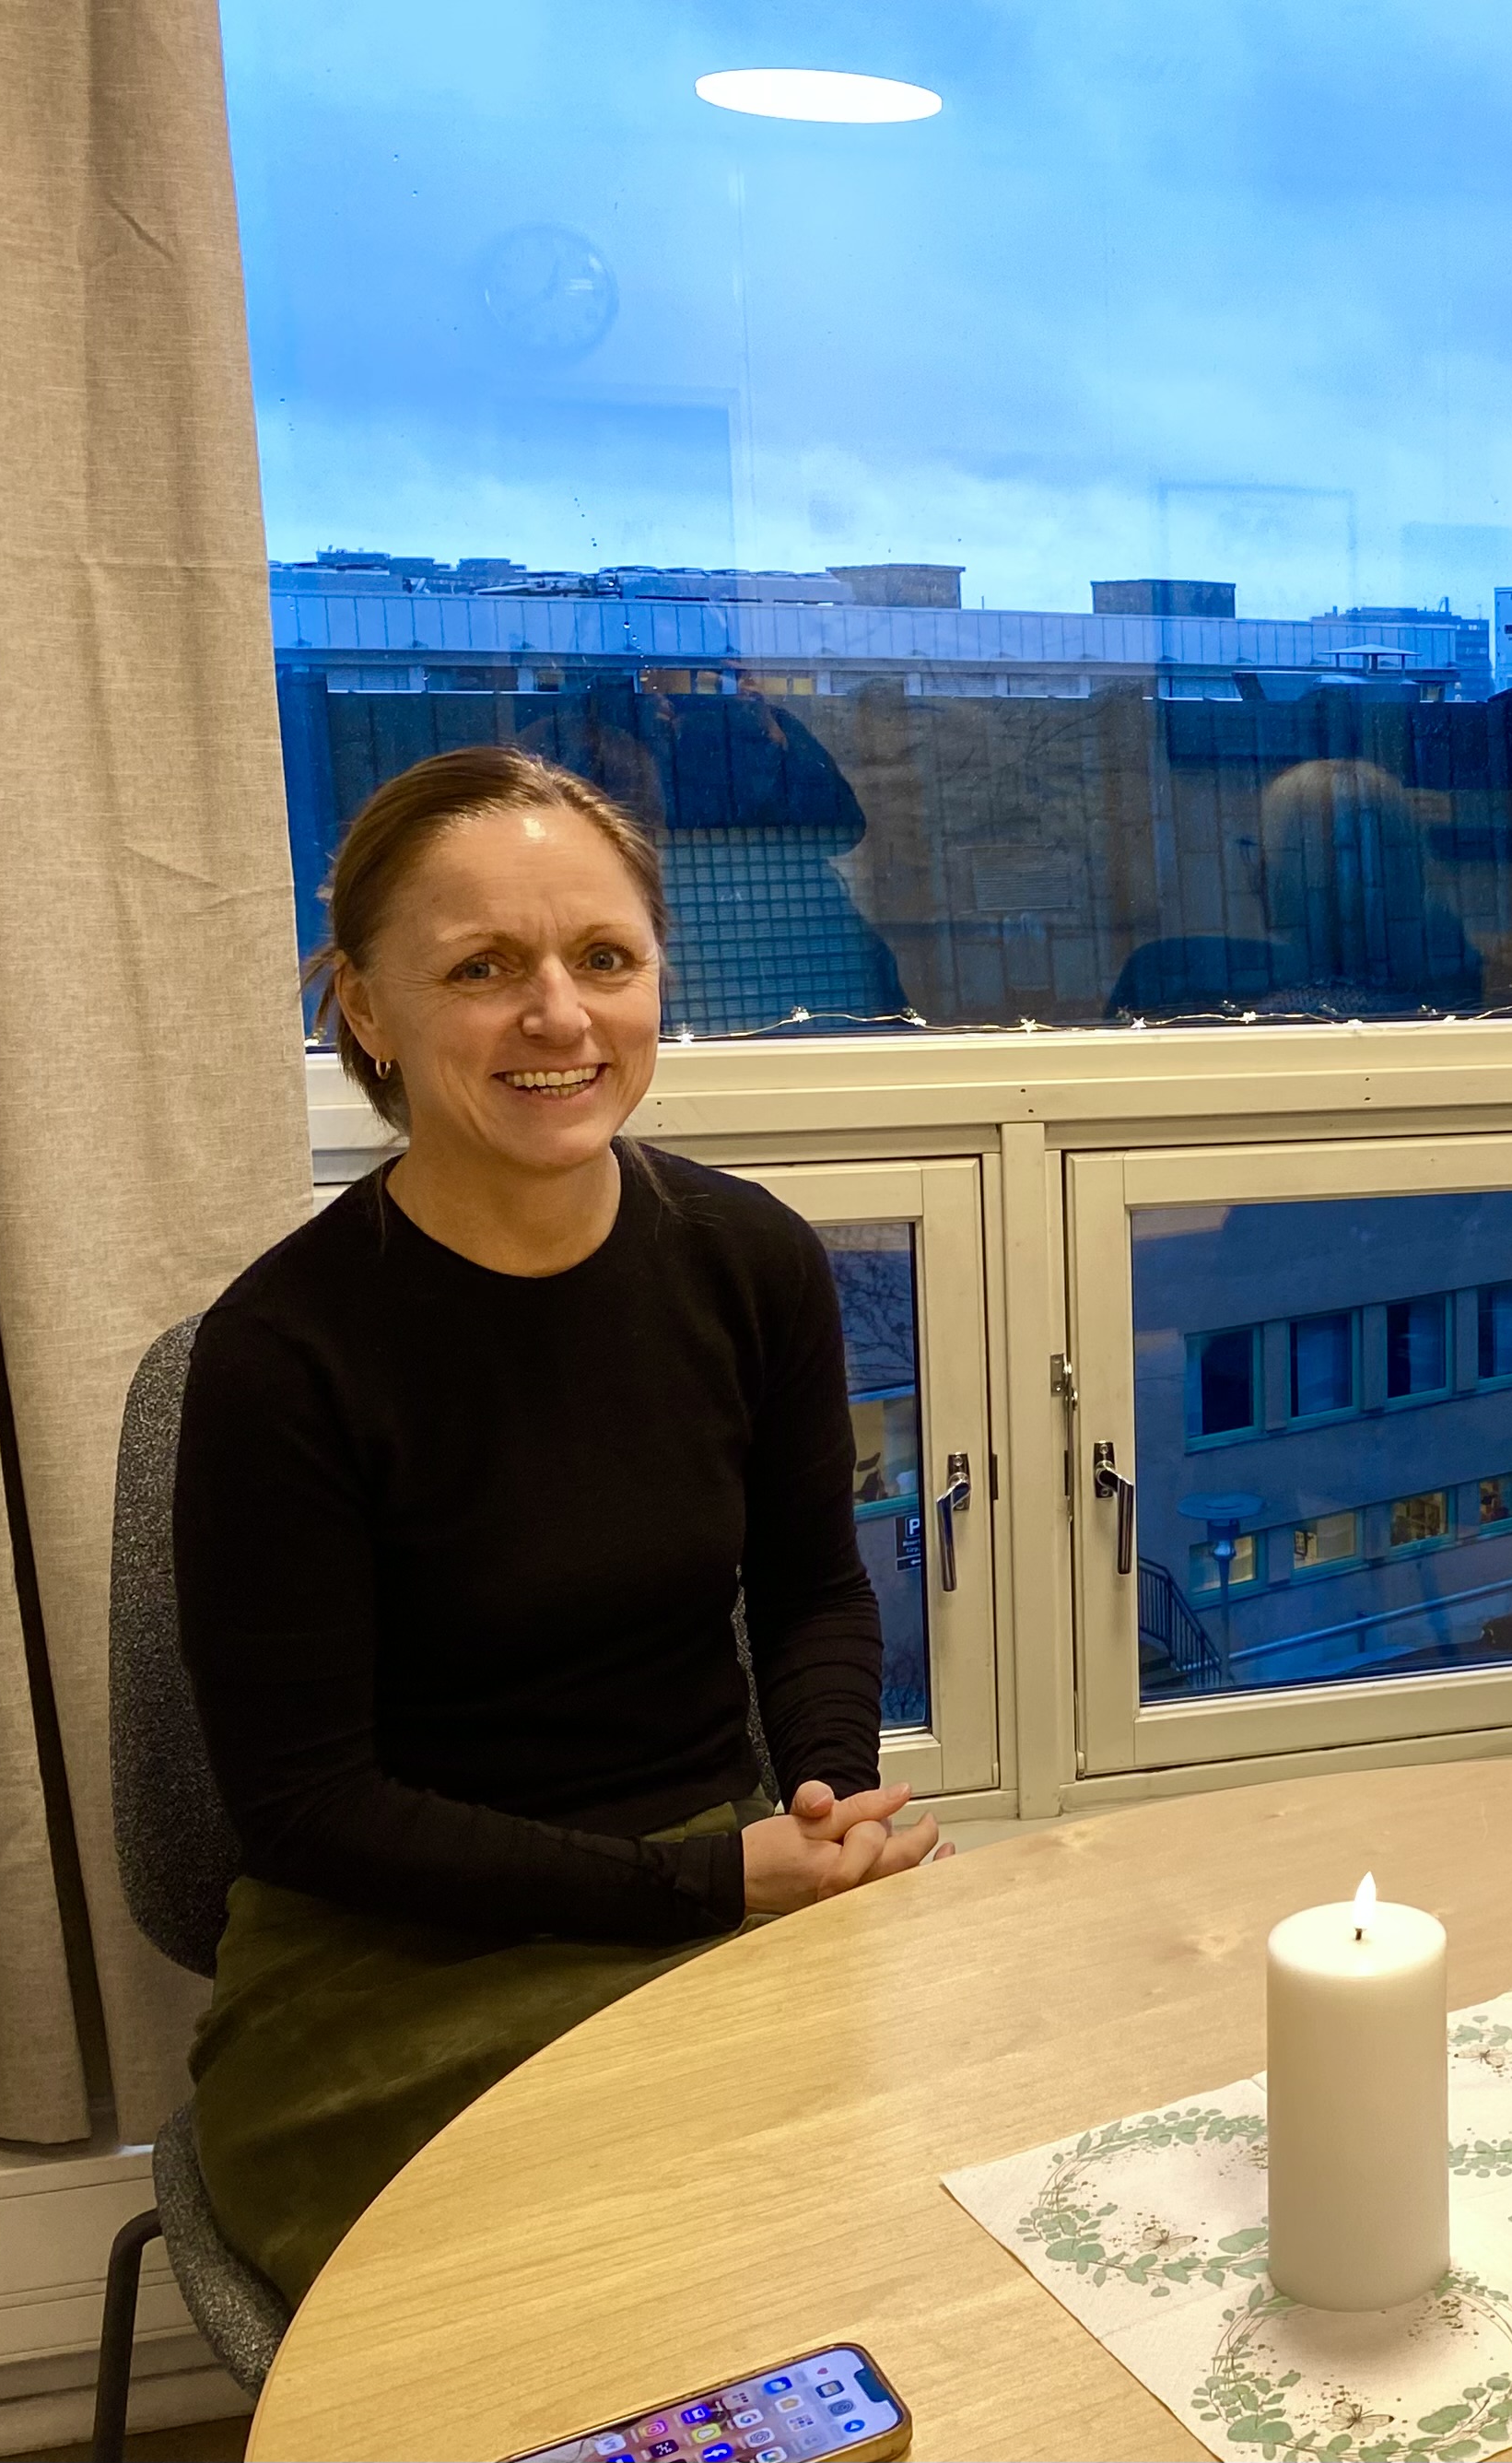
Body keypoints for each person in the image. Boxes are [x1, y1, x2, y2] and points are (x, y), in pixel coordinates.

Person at [173, 745, 945, 2301]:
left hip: (719, 1870)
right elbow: (309, 1809)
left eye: (604, 958)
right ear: (367, 1010)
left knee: (950, 2196)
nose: (558, 1016)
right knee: (617, 2287)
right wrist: (714, 1886)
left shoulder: (751, 1260)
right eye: (482, 968)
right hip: (390, 1963)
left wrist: (826, 1804)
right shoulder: (280, 1356)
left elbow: (812, 1587)